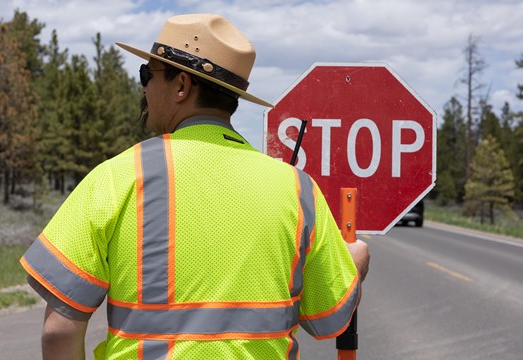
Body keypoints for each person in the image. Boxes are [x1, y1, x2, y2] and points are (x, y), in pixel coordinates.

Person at [20, 13, 370, 359]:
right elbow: (328, 320)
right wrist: (355, 262)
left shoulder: (118, 177)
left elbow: (59, 332)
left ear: (182, 86)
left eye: (148, 73)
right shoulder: (296, 188)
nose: (143, 86)